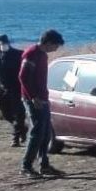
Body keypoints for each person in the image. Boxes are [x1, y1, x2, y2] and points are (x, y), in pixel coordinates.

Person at [18, 29, 64, 178]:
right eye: (56, 45)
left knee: (45, 133)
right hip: (33, 100)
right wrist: (33, 97)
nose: (56, 49)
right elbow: (23, 77)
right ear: (49, 42)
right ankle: (26, 166)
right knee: (36, 133)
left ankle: (44, 165)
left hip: (43, 98)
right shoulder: (31, 53)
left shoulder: (43, 55)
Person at [0, 34, 27, 147]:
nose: (3, 45)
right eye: (0, 43)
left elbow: (27, 72)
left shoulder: (19, 54)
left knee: (19, 114)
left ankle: (15, 138)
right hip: (2, 89)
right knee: (4, 112)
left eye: (4, 42)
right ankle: (22, 128)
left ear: (8, 42)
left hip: (17, 88)